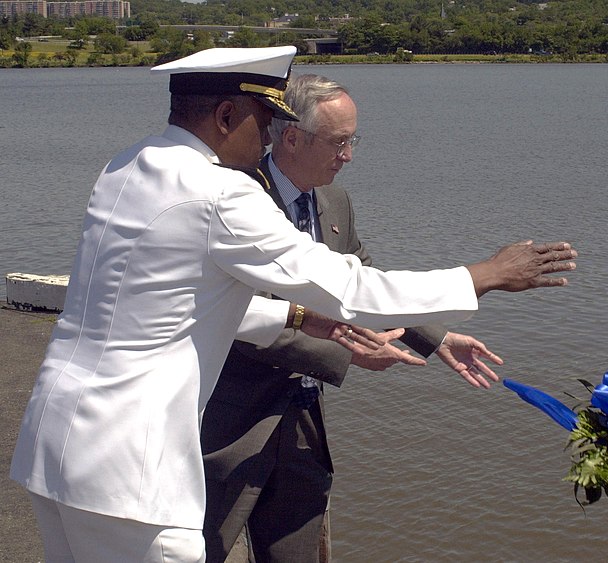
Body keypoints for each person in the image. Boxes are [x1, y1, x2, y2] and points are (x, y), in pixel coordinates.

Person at [10, 46, 578, 562]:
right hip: (131, 468)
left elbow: (167, 302)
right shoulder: (220, 192)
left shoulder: (126, 166)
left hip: (56, 447)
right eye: (265, 121)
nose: (267, 140)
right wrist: (484, 274)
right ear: (228, 116)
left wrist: (302, 318)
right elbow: (350, 286)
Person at [201, 73, 504, 563]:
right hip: (228, 426)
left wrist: (436, 337)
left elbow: (359, 274)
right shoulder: (233, 200)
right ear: (293, 139)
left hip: (302, 421)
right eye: (339, 142)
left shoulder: (333, 199)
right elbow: (236, 315)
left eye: (352, 141)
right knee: (198, 549)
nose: (349, 156)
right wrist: (346, 347)